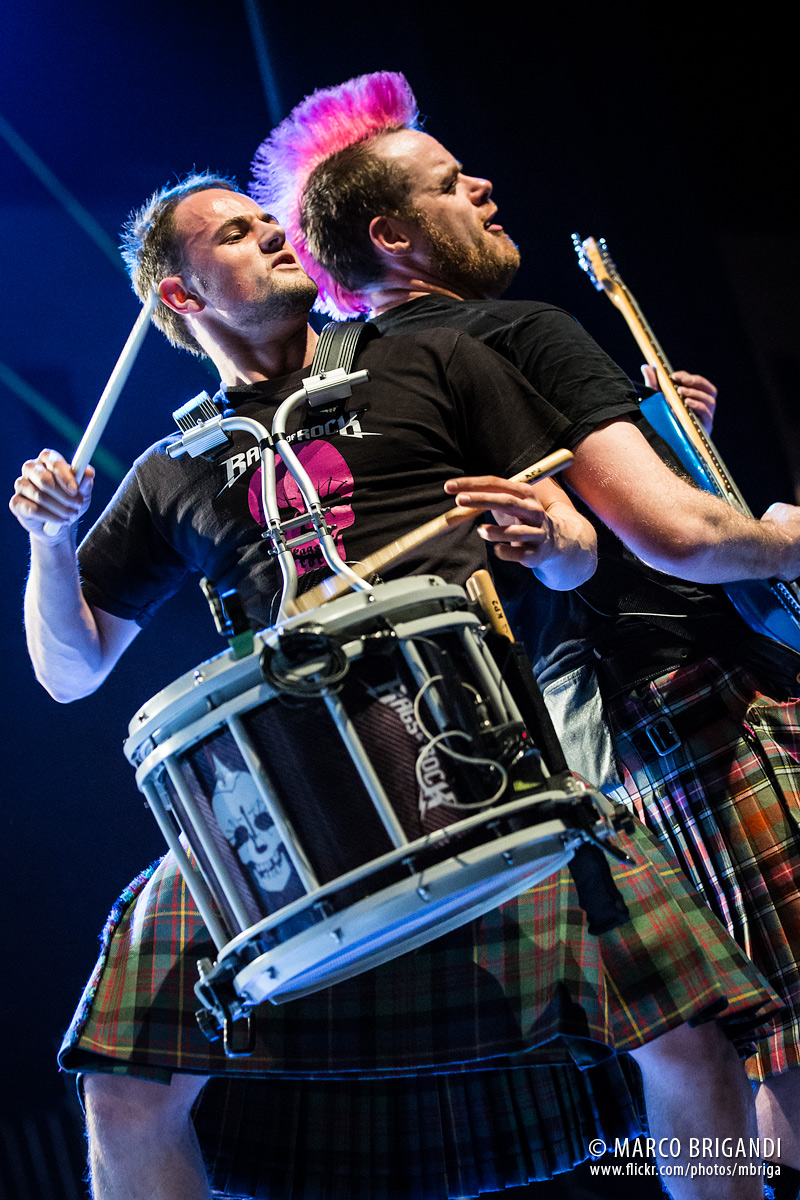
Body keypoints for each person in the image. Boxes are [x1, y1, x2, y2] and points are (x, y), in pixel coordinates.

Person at [10, 173, 788, 1200]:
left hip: (486, 763)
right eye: (234, 235)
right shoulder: (173, 468)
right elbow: (68, 673)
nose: (272, 237)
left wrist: (549, 537)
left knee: (687, 1040)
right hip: (286, 819)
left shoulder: (435, 357)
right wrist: (51, 546)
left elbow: (572, 556)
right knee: (123, 1087)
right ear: (178, 298)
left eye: (266, 220)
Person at [249, 69, 800, 1196]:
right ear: (394, 235)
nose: (487, 188)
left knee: (723, 1055)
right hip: (703, 710)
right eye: (454, 183)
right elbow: (678, 539)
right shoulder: (514, 328)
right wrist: (780, 537)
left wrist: (645, 436)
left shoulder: (359, 392)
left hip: (587, 758)